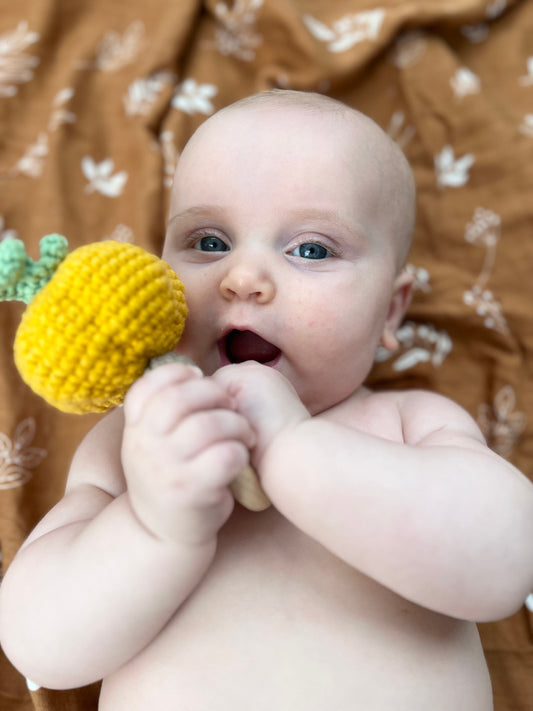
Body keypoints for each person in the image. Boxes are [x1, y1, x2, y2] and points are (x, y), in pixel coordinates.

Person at [1, 90, 532, 710]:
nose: (242, 277)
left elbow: (507, 565)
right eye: (207, 242)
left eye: (311, 249)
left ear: (391, 308)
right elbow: (38, 647)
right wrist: (154, 524)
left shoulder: (408, 424)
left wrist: (294, 449)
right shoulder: (134, 444)